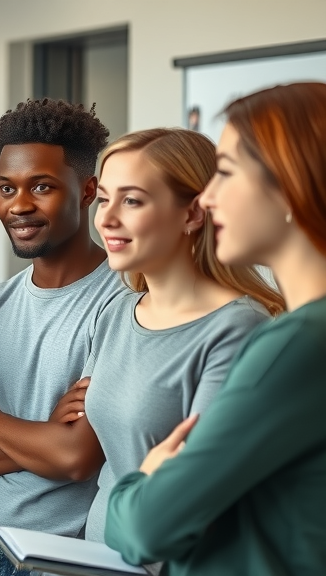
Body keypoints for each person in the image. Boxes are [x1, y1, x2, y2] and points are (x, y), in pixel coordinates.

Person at [105, 82, 326, 574]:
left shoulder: (295, 343)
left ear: (290, 185)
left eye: (226, 173)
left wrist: (138, 485)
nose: (208, 197)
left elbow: (146, 528)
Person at [0, 99, 121, 576]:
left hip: (62, 558)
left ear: (87, 189)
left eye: (41, 186)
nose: (19, 204)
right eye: (5, 188)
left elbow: (74, 457)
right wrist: (42, 438)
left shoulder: (125, 300)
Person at [79, 128, 282, 543]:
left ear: (193, 213)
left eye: (131, 200)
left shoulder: (237, 328)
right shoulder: (116, 313)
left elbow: (196, 491)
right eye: (104, 199)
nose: (106, 218)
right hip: (91, 559)